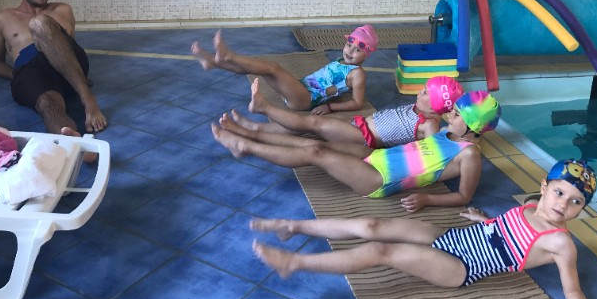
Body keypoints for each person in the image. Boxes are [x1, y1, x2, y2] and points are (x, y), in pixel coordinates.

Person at [250, 159, 597, 299]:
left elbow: (572, 289)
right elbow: (508, 231)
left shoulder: (561, 243)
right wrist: (485, 221)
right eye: (560, 192)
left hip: (460, 267)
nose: (563, 204)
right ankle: (292, 226)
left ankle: (294, 263)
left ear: (582, 211)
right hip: (456, 237)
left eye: (576, 202)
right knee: (372, 225)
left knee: (382, 250)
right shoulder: (531, 205)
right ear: (544, 187)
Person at [212, 90, 501, 212]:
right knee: (316, 143)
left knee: (316, 153)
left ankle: (245, 146)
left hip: (379, 179)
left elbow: (464, 197)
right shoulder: (447, 131)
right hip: (377, 157)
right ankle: (251, 134)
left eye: (457, 114)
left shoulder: (469, 155)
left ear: (474, 125)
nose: (450, 113)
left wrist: (427, 199)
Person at [0, 0, 107, 138]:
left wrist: (78, 75)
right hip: (32, 70)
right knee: (47, 104)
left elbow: (69, 47)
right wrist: (16, 74)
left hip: (65, 64)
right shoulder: (2, 19)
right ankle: (70, 140)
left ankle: (88, 100)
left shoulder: (63, 10)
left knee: (39, 24)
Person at [229, 75, 464, 148]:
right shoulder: (421, 110)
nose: (420, 92)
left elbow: (431, 152)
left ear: (436, 105)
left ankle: (263, 108)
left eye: (426, 93)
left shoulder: (430, 124)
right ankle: (254, 129)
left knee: (313, 124)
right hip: (359, 126)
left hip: (363, 139)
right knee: (305, 129)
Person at [192, 25, 378, 114]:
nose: (350, 51)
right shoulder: (342, 61)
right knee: (264, 69)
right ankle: (214, 63)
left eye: (358, 50)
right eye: (349, 45)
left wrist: (329, 107)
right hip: (300, 89)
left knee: (272, 67)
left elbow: (357, 103)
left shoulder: (358, 74)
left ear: (366, 55)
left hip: (306, 99)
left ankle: (229, 56)